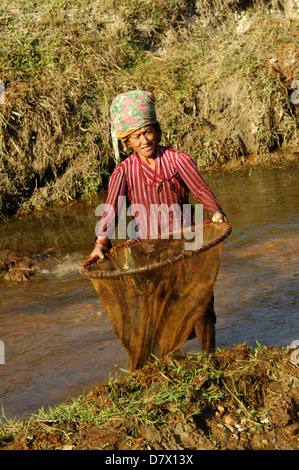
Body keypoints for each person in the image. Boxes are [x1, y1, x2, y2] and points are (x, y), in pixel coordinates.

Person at [90, 90, 227, 352]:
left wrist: (215, 212)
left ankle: (210, 360)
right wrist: (101, 242)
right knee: (162, 307)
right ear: (127, 142)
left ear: (157, 130)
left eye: (148, 132)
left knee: (200, 303)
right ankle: (170, 360)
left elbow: (201, 190)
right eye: (136, 136)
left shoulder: (178, 160)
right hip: (150, 249)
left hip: (190, 242)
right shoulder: (123, 171)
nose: (144, 140)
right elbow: (111, 210)